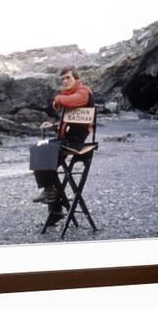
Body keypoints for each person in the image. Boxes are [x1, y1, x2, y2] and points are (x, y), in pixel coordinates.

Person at [32, 66, 94, 221]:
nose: (65, 81)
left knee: (44, 154)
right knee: (38, 149)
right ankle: (54, 207)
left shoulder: (84, 92)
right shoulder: (70, 95)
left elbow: (74, 101)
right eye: (63, 79)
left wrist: (58, 98)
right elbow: (70, 123)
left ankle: (50, 193)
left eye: (68, 78)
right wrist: (54, 126)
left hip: (75, 142)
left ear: (77, 79)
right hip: (66, 140)